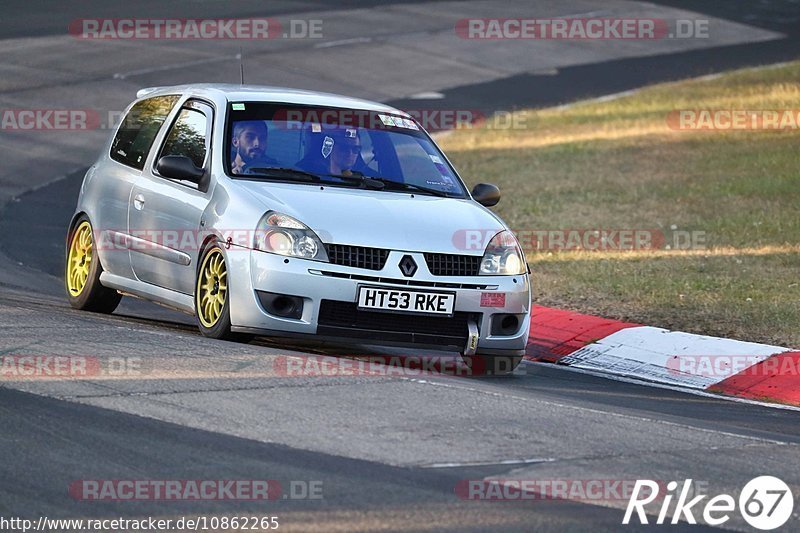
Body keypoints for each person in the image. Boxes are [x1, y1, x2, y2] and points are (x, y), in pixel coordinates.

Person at [297, 127, 363, 178]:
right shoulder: (309, 176)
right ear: (331, 148)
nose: (350, 153)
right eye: (343, 148)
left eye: (355, 149)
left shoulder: (363, 181)